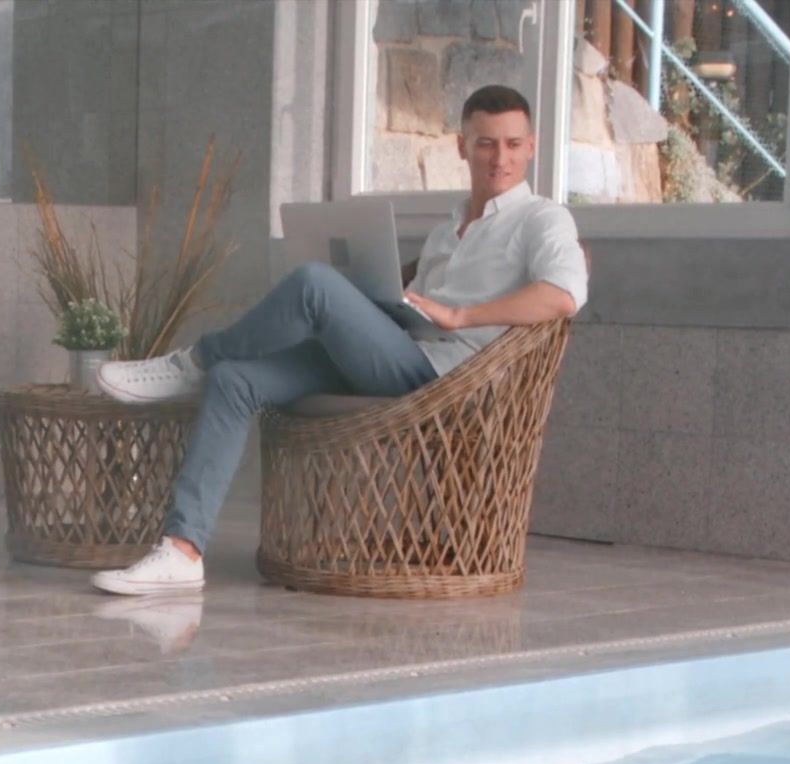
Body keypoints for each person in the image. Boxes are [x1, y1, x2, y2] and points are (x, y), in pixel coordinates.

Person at [88, 84, 587, 596]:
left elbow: (565, 294)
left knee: (313, 283)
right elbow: (414, 304)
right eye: (485, 143)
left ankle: (192, 361)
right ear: (462, 147)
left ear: (531, 146)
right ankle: (182, 551)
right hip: (396, 349)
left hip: (443, 378)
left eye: (513, 144)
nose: (500, 158)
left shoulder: (542, 219)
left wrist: (461, 316)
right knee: (234, 381)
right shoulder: (449, 228)